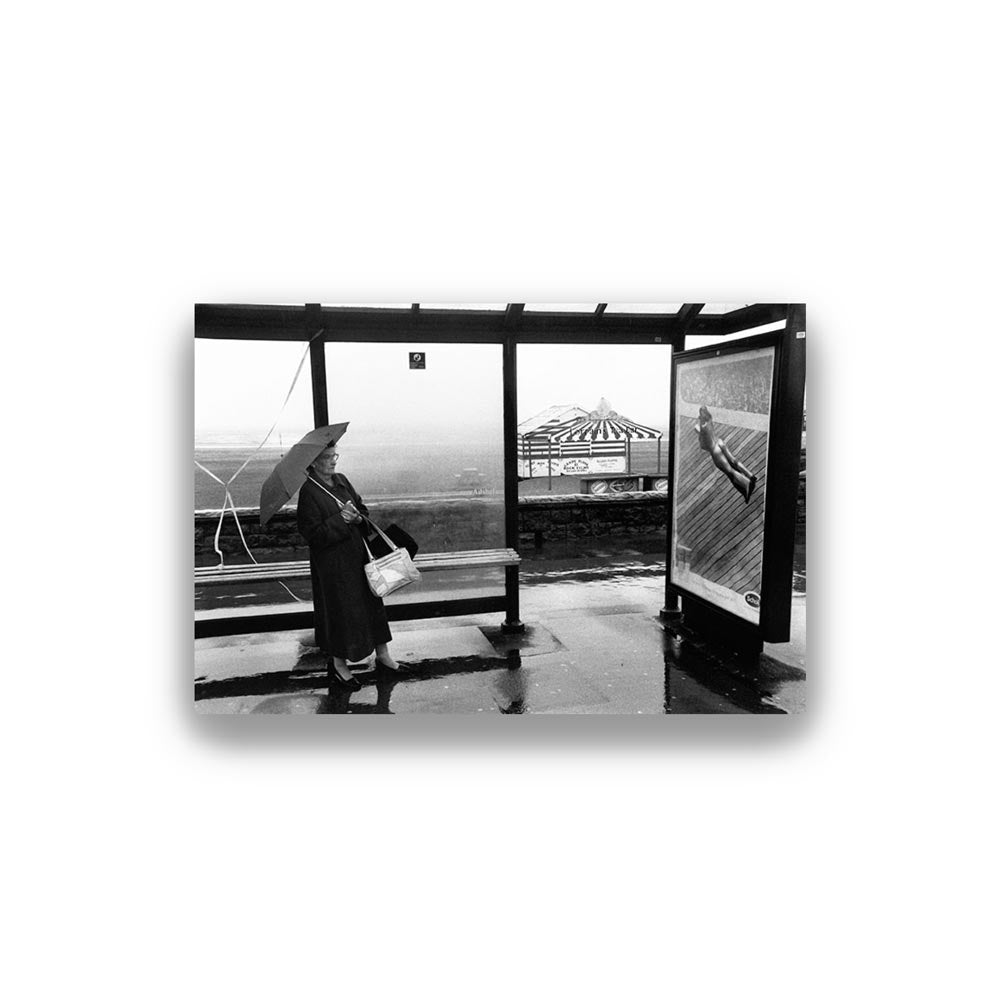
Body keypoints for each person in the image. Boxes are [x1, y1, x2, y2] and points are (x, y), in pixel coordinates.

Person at [296, 442, 403, 690]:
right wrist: (340, 520)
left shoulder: (342, 480)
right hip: (333, 566)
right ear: (313, 462)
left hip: (358, 558)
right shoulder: (309, 492)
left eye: (335, 456)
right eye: (327, 458)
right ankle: (339, 666)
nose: (333, 461)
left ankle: (383, 656)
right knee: (339, 612)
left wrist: (357, 517)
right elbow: (312, 534)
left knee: (372, 605)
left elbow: (362, 509)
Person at [694, 405, 758, 504]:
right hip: (719, 442)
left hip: (715, 451)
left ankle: (747, 483)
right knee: (733, 460)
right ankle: (750, 475)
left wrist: (699, 426)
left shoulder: (703, 427)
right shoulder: (710, 419)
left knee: (729, 471)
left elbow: (699, 430)